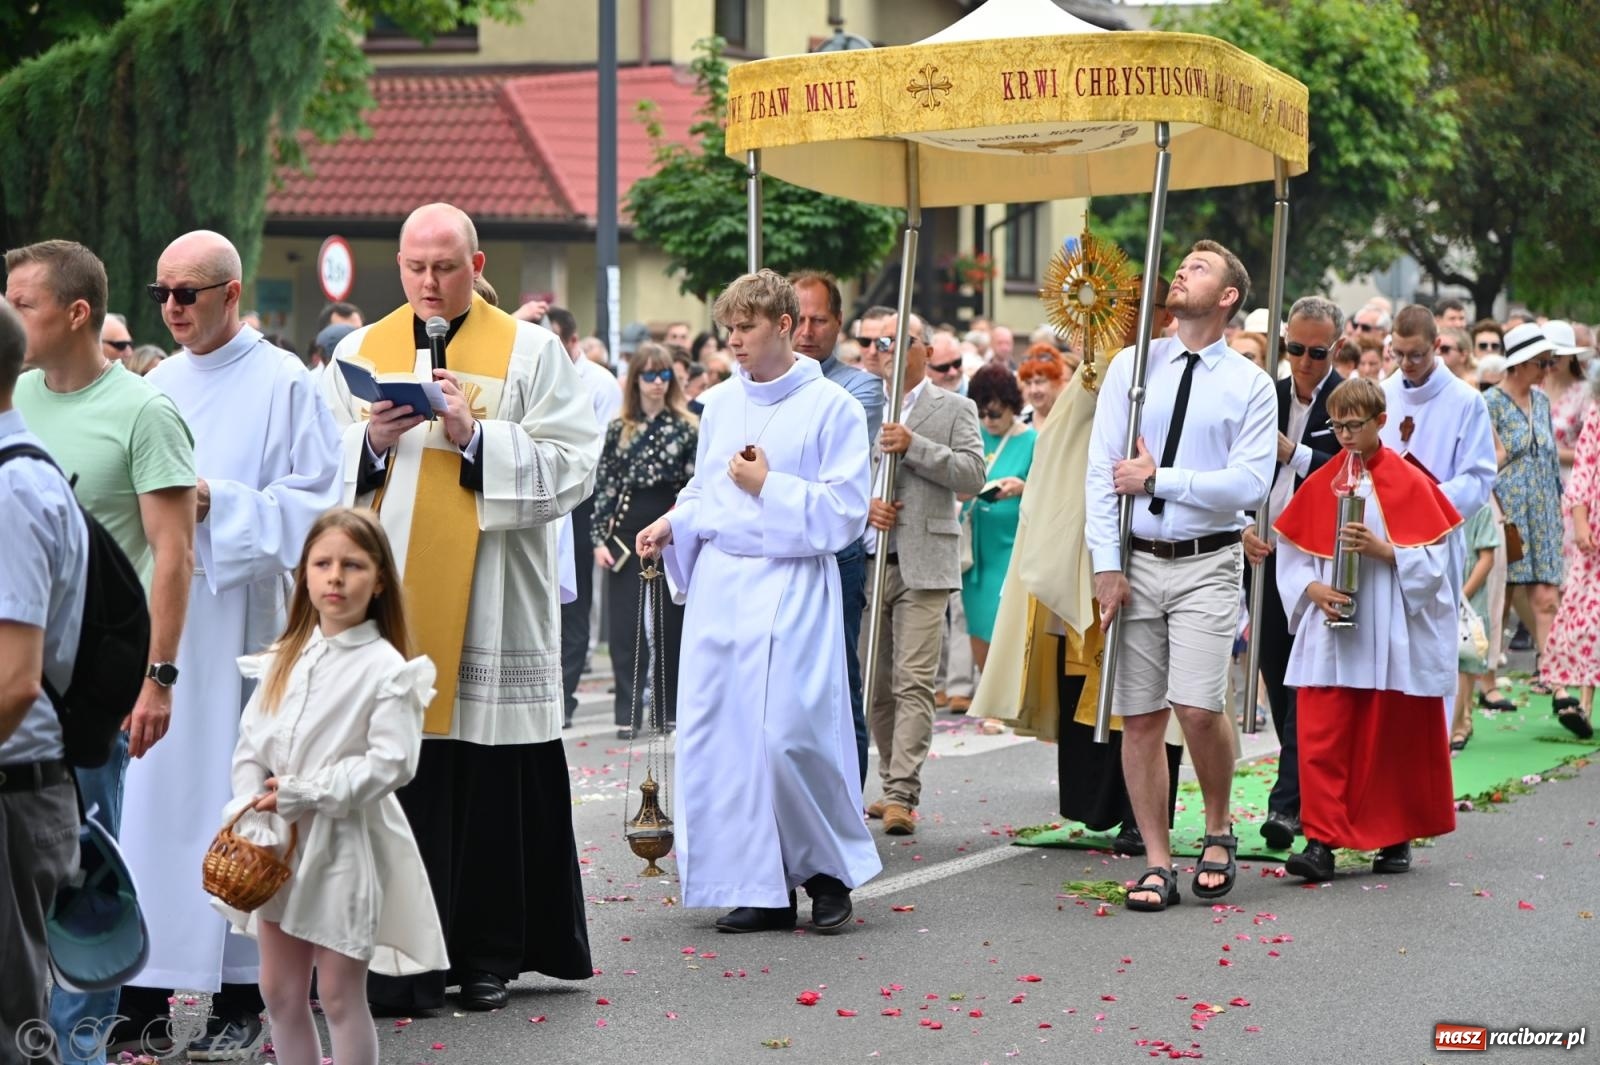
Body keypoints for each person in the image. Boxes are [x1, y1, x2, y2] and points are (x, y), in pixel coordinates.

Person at [320, 202, 600, 1014]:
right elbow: (317, 463)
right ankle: (397, 958)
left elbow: (573, 463)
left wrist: (475, 435)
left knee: (488, 775)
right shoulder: (358, 351)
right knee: (398, 774)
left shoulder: (532, 350)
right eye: (414, 267)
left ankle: (487, 953)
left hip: (492, 604)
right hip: (391, 603)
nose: (429, 283)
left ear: (476, 265)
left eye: (445, 267)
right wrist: (370, 441)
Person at [118, 230, 342, 1060]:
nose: (173, 309)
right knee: (157, 803)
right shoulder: (155, 384)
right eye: (161, 294)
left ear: (232, 293)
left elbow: (321, 503)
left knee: (241, 801)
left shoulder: (287, 381)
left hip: (248, 618)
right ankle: (143, 985)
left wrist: (220, 504)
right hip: (170, 622)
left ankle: (245, 992)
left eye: (189, 293)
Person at [635, 269, 880, 932]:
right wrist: (674, 523)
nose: (734, 341)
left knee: (789, 736)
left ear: (785, 326)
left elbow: (846, 511)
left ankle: (828, 875)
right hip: (723, 584)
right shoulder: (717, 403)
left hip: (794, 580)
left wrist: (769, 485)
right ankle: (760, 885)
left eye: (746, 328)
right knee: (729, 739)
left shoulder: (833, 407)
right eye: (729, 329)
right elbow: (705, 490)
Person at [6, 240, 197, 1065]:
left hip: (88, 693)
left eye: (25, 301)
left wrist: (158, 676)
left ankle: (79, 1050)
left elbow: (172, 552)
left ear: (75, 312)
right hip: (24, 690)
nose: (13, 316)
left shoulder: (143, 411)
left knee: (82, 894)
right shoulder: (14, 397)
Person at [216, 509, 445, 1065]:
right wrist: (251, 812)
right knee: (278, 991)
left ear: (381, 578)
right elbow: (251, 747)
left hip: (345, 847)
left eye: (352, 565)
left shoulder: (387, 668)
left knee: (340, 995)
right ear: (305, 576)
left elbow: (392, 763)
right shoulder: (284, 658)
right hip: (279, 849)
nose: (335, 577)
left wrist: (304, 793)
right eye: (322, 564)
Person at [1087, 240, 1276, 912]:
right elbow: (1101, 469)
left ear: (1228, 296)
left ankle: (1219, 827)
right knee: (1140, 717)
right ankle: (1158, 859)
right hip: (1137, 556)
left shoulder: (1249, 384)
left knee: (1197, 708)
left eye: (1200, 268)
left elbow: (1248, 483)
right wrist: (1106, 562)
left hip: (1208, 558)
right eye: (1183, 265)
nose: (1182, 273)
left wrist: (1160, 478)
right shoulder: (1132, 368)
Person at [1272, 377, 1460, 881]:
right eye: (1337, 426)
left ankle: (1394, 837)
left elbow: (1437, 564)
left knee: (1388, 735)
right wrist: (1311, 591)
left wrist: (1386, 552)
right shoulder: (1323, 481)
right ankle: (1321, 843)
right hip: (1331, 629)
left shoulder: (1412, 482)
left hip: (1388, 626)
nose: (1345, 436)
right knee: (1323, 734)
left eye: (1355, 426)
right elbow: (1291, 556)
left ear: (1380, 422)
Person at [0, 297, 89, 1065]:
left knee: (12, 1029)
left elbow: (15, 680)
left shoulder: (10, 491)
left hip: (12, 786)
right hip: (20, 778)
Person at [862, 311, 986, 835]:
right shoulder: (856, 407)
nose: (878, 351)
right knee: (875, 682)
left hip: (926, 560)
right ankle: (890, 774)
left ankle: (900, 793)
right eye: (870, 343)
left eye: (890, 341)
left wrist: (916, 446)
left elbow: (974, 475)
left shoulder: (955, 407)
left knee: (915, 680)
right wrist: (863, 507)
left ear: (922, 349)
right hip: (869, 557)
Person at [1239, 296, 1344, 851]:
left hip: (1319, 562)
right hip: (1265, 553)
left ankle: (1287, 804)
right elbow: (1234, 468)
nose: (1303, 361)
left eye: (1317, 351)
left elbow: (1352, 468)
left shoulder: (1344, 399)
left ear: (1338, 348)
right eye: (1294, 349)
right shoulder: (1268, 394)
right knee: (1278, 677)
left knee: (1306, 684)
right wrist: (1240, 526)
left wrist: (1294, 453)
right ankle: (1302, 792)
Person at [1378, 305, 1497, 726]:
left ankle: (1436, 750)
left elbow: (1479, 478)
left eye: (1417, 355)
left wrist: (1423, 502)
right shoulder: (1384, 393)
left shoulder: (1466, 400)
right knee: (1387, 656)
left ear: (1437, 347)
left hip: (1436, 542)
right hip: (1385, 542)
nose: (1407, 365)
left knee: (1432, 654)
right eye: (1399, 354)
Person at [790, 271, 883, 784]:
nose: (807, 331)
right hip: (781, 548)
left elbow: (819, 467)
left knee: (839, 678)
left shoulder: (859, 386)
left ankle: (850, 798)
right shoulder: (758, 381)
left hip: (837, 554)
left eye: (818, 320)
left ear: (839, 324)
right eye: (798, 319)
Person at [592, 342, 695, 737]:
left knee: (670, 623)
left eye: (663, 374)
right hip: (625, 533)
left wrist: (681, 529)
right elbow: (605, 487)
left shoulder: (686, 426)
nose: (656, 382)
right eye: (649, 375)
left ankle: (666, 710)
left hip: (670, 528)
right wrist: (599, 538)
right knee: (625, 627)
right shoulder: (619, 428)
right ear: (636, 379)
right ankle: (627, 712)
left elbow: (692, 486)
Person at [1487, 323, 1574, 713]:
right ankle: (1486, 681)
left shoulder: (1541, 401)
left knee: (1546, 598)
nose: (1548, 368)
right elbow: (1486, 462)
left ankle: (1556, 682)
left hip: (1543, 509)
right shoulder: (1488, 402)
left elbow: (1552, 456)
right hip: (1509, 512)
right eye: (1542, 362)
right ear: (1520, 364)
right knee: (1500, 599)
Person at [548, 307, 622, 728]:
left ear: (573, 342)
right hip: (542, 495)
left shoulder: (600, 383)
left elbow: (598, 450)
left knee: (575, 604)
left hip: (581, 500)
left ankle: (567, 695)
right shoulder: (540, 374)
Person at [960, 363, 1035, 737]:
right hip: (976, 541)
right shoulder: (972, 435)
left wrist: (1021, 486)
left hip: (1011, 542)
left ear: (1011, 406)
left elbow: (1046, 489)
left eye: (996, 412)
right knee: (977, 623)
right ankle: (989, 700)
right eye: (981, 411)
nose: (988, 420)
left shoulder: (1032, 440)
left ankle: (1008, 701)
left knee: (1002, 622)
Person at [1541, 379, 1600, 738]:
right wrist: (1579, 521)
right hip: (1595, 529)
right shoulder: (1596, 414)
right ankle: (1584, 703)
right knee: (1589, 618)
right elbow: (1583, 468)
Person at [1453, 501, 1501, 750]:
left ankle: (1460, 725)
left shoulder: (1479, 508)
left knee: (1465, 659)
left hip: (1470, 596)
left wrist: (1462, 594)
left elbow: (1487, 558)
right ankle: (1460, 719)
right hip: (1446, 592)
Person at [1018, 346, 1067, 427]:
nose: (1033, 390)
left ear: (1056, 382)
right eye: (1028, 383)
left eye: (1039, 382)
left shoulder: (1069, 420)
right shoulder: (1021, 422)